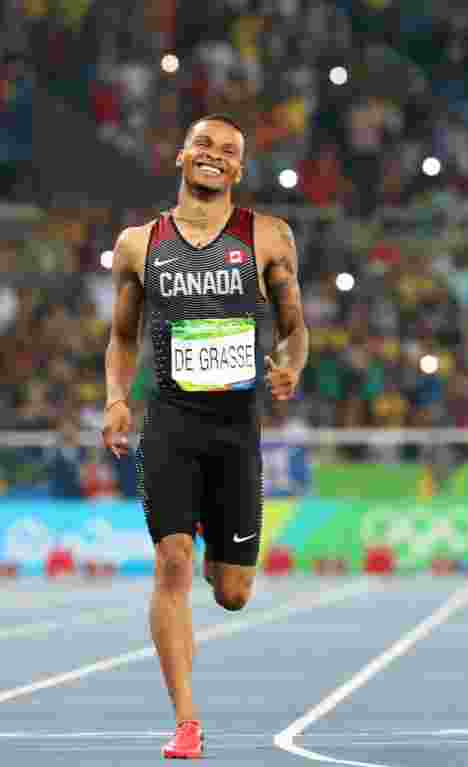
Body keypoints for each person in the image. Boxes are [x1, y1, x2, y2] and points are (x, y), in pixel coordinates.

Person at [102, 114, 308, 759]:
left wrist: (290, 366)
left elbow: (295, 328)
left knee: (232, 593)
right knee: (172, 563)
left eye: (228, 151)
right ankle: (187, 721)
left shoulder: (268, 236)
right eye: (204, 145)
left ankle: (226, 567)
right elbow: (123, 336)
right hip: (169, 422)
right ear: (181, 155)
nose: (214, 156)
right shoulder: (139, 243)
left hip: (236, 430)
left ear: (239, 168)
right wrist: (115, 399)